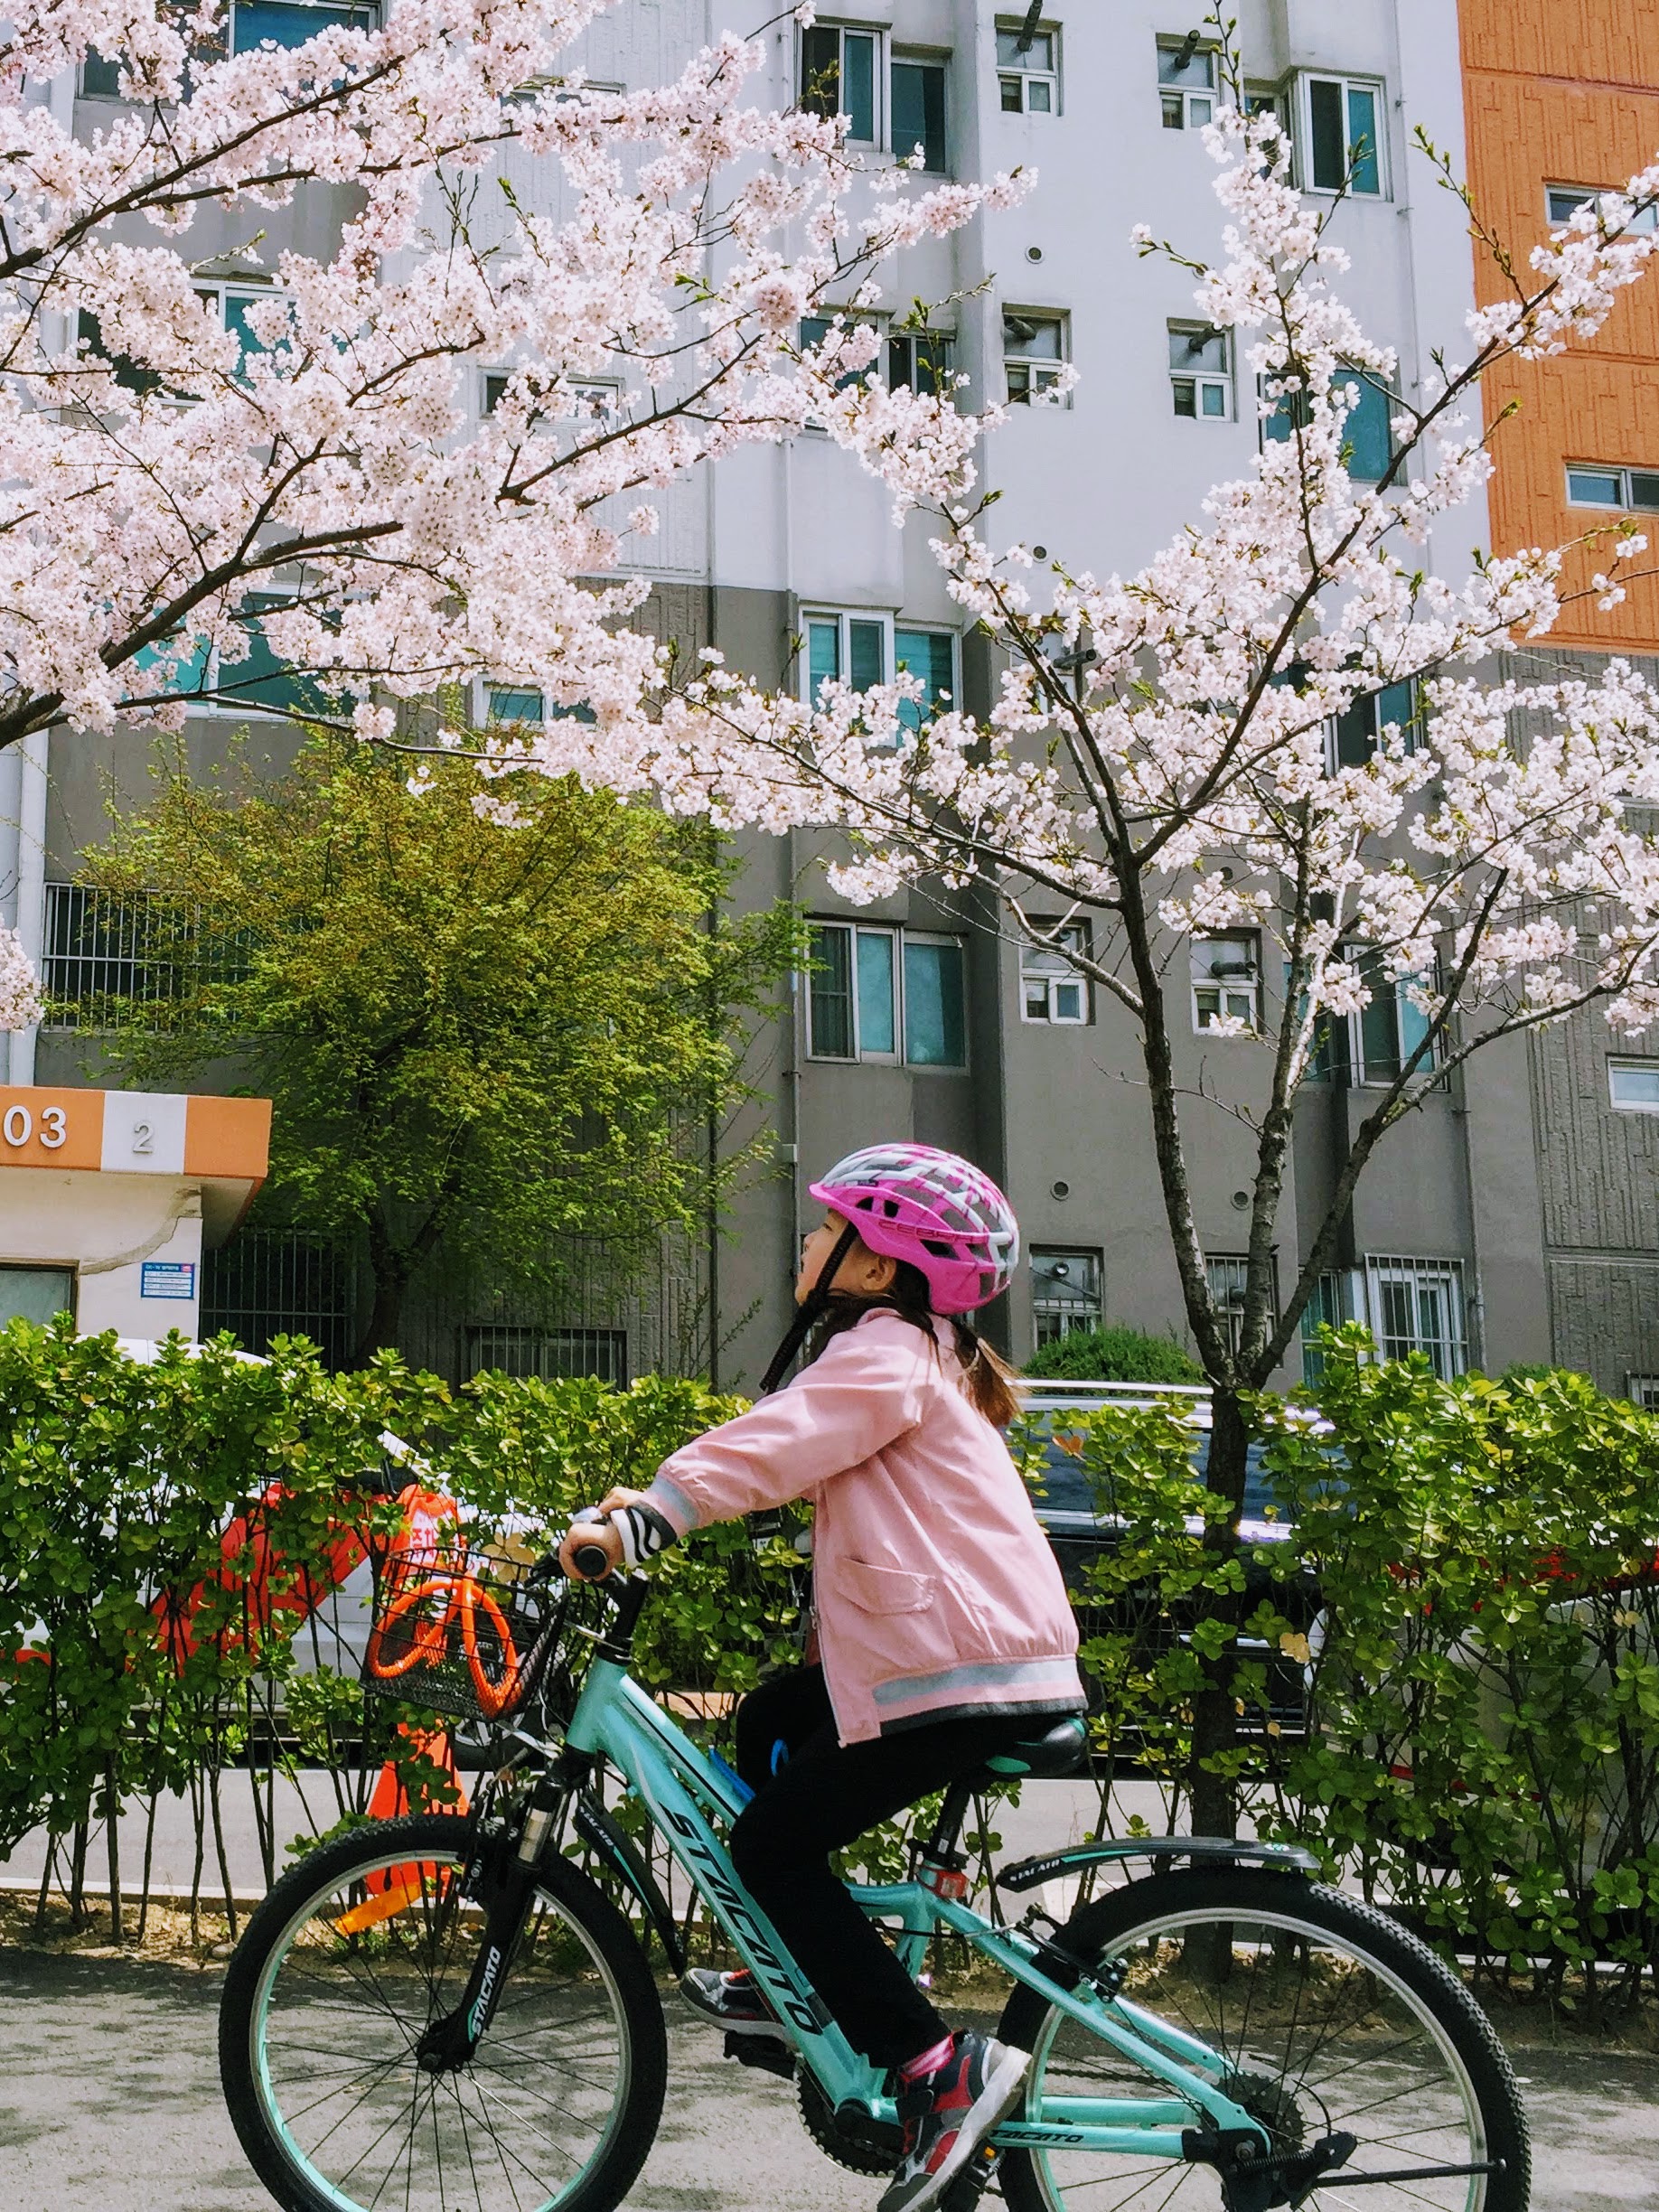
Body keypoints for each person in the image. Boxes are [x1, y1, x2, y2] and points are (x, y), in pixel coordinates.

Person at [558, 1143, 1085, 2212]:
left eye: (827, 1228)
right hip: (959, 1658)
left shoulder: (885, 1349)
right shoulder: (915, 1350)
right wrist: (651, 1510)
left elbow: (784, 1441)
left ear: (875, 1264)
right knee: (770, 1721)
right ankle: (789, 1973)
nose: (807, 1240)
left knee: (770, 1847)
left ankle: (938, 2073)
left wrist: (658, 1512)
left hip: (963, 1669)